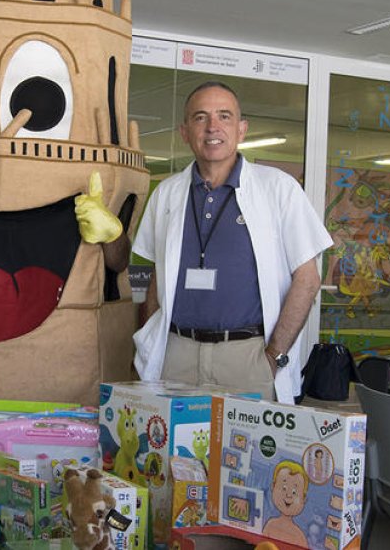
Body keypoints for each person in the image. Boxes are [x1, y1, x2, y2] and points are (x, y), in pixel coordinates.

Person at [133, 80, 333, 402]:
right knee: (172, 450)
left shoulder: (278, 189)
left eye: (224, 116)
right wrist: (149, 344)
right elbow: (157, 276)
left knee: (247, 451)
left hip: (248, 358)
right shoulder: (167, 193)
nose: (213, 126)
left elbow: (307, 280)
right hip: (177, 356)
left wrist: (273, 356)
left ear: (241, 129)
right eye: (201, 117)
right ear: (185, 132)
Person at [262, 460, 310, 545]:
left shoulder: (299, 536)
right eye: (284, 488)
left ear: (304, 498)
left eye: (294, 492)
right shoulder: (270, 524)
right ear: (273, 486)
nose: (288, 495)